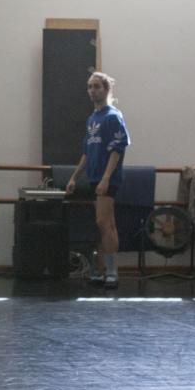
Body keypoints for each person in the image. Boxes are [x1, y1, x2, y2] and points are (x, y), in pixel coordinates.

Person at [66, 72, 130, 289]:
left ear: (106, 90)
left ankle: (112, 271)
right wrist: (74, 177)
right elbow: (87, 152)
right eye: (89, 86)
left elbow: (117, 150)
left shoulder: (113, 117)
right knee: (103, 224)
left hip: (107, 178)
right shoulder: (92, 119)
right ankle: (102, 269)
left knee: (105, 222)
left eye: (97, 87)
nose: (92, 90)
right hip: (93, 176)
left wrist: (106, 178)